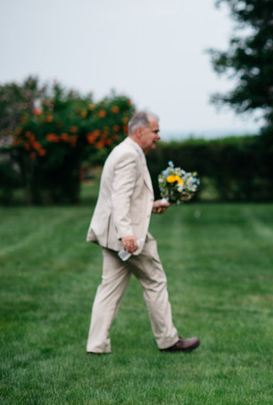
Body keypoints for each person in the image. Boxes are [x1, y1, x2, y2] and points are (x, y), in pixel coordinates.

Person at [85, 111, 199, 354]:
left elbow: (125, 196)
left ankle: (96, 345)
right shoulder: (129, 155)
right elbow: (120, 196)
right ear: (140, 132)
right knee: (155, 281)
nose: (158, 136)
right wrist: (126, 233)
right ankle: (169, 340)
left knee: (109, 288)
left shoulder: (124, 150)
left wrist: (150, 205)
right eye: (155, 131)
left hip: (111, 235)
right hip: (127, 238)